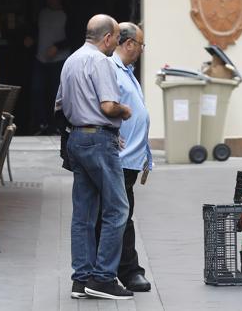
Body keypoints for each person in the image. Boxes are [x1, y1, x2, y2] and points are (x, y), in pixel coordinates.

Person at [56, 14, 134, 301]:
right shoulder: (101, 61)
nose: (116, 42)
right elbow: (108, 105)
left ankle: (81, 279)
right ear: (107, 38)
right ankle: (103, 278)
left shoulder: (71, 60)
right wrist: (124, 111)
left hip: (77, 138)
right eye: (115, 36)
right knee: (117, 209)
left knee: (84, 214)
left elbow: (61, 105)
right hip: (99, 140)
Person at [95, 22, 152, 293]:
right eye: (140, 45)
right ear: (129, 44)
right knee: (120, 214)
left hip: (130, 158)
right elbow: (103, 106)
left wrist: (146, 158)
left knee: (120, 213)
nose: (141, 50)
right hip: (119, 156)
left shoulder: (126, 71)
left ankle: (119, 271)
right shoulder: (111, 70)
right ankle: (125, 272)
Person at [33, 0, 72, 135]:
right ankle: (41, 124)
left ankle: (57, 125)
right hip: (41, 59)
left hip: (59, 60)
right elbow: (36, 31)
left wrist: (58, 47)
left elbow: (73, 36)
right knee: (38, 91)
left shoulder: (67, 14)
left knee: (57, 93)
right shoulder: (42, 13)